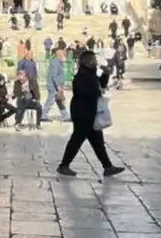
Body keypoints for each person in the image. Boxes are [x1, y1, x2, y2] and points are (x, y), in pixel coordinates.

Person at [56, 50, 125, 178]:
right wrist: (96, 92)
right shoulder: (81, 75)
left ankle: (108, 167)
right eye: (93, 59)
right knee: (77, 140)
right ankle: (64, 166)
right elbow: (84, 93)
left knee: (97, 141)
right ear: (88, 61)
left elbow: (101, 85)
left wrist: (106, 74)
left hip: (89, 113)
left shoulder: (90, 74)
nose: (95, 62)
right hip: (83, 114)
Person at [47, 48, 70, 122]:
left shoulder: (59, 62)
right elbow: (54, 76)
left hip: (58, 86)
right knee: (50, 101)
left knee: (59, 101)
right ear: (60, 55)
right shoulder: (56, 63)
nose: (65, 57)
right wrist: (58, 86)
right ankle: (43, 116)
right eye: (64, 55)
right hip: (55, 86)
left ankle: (66, 116)